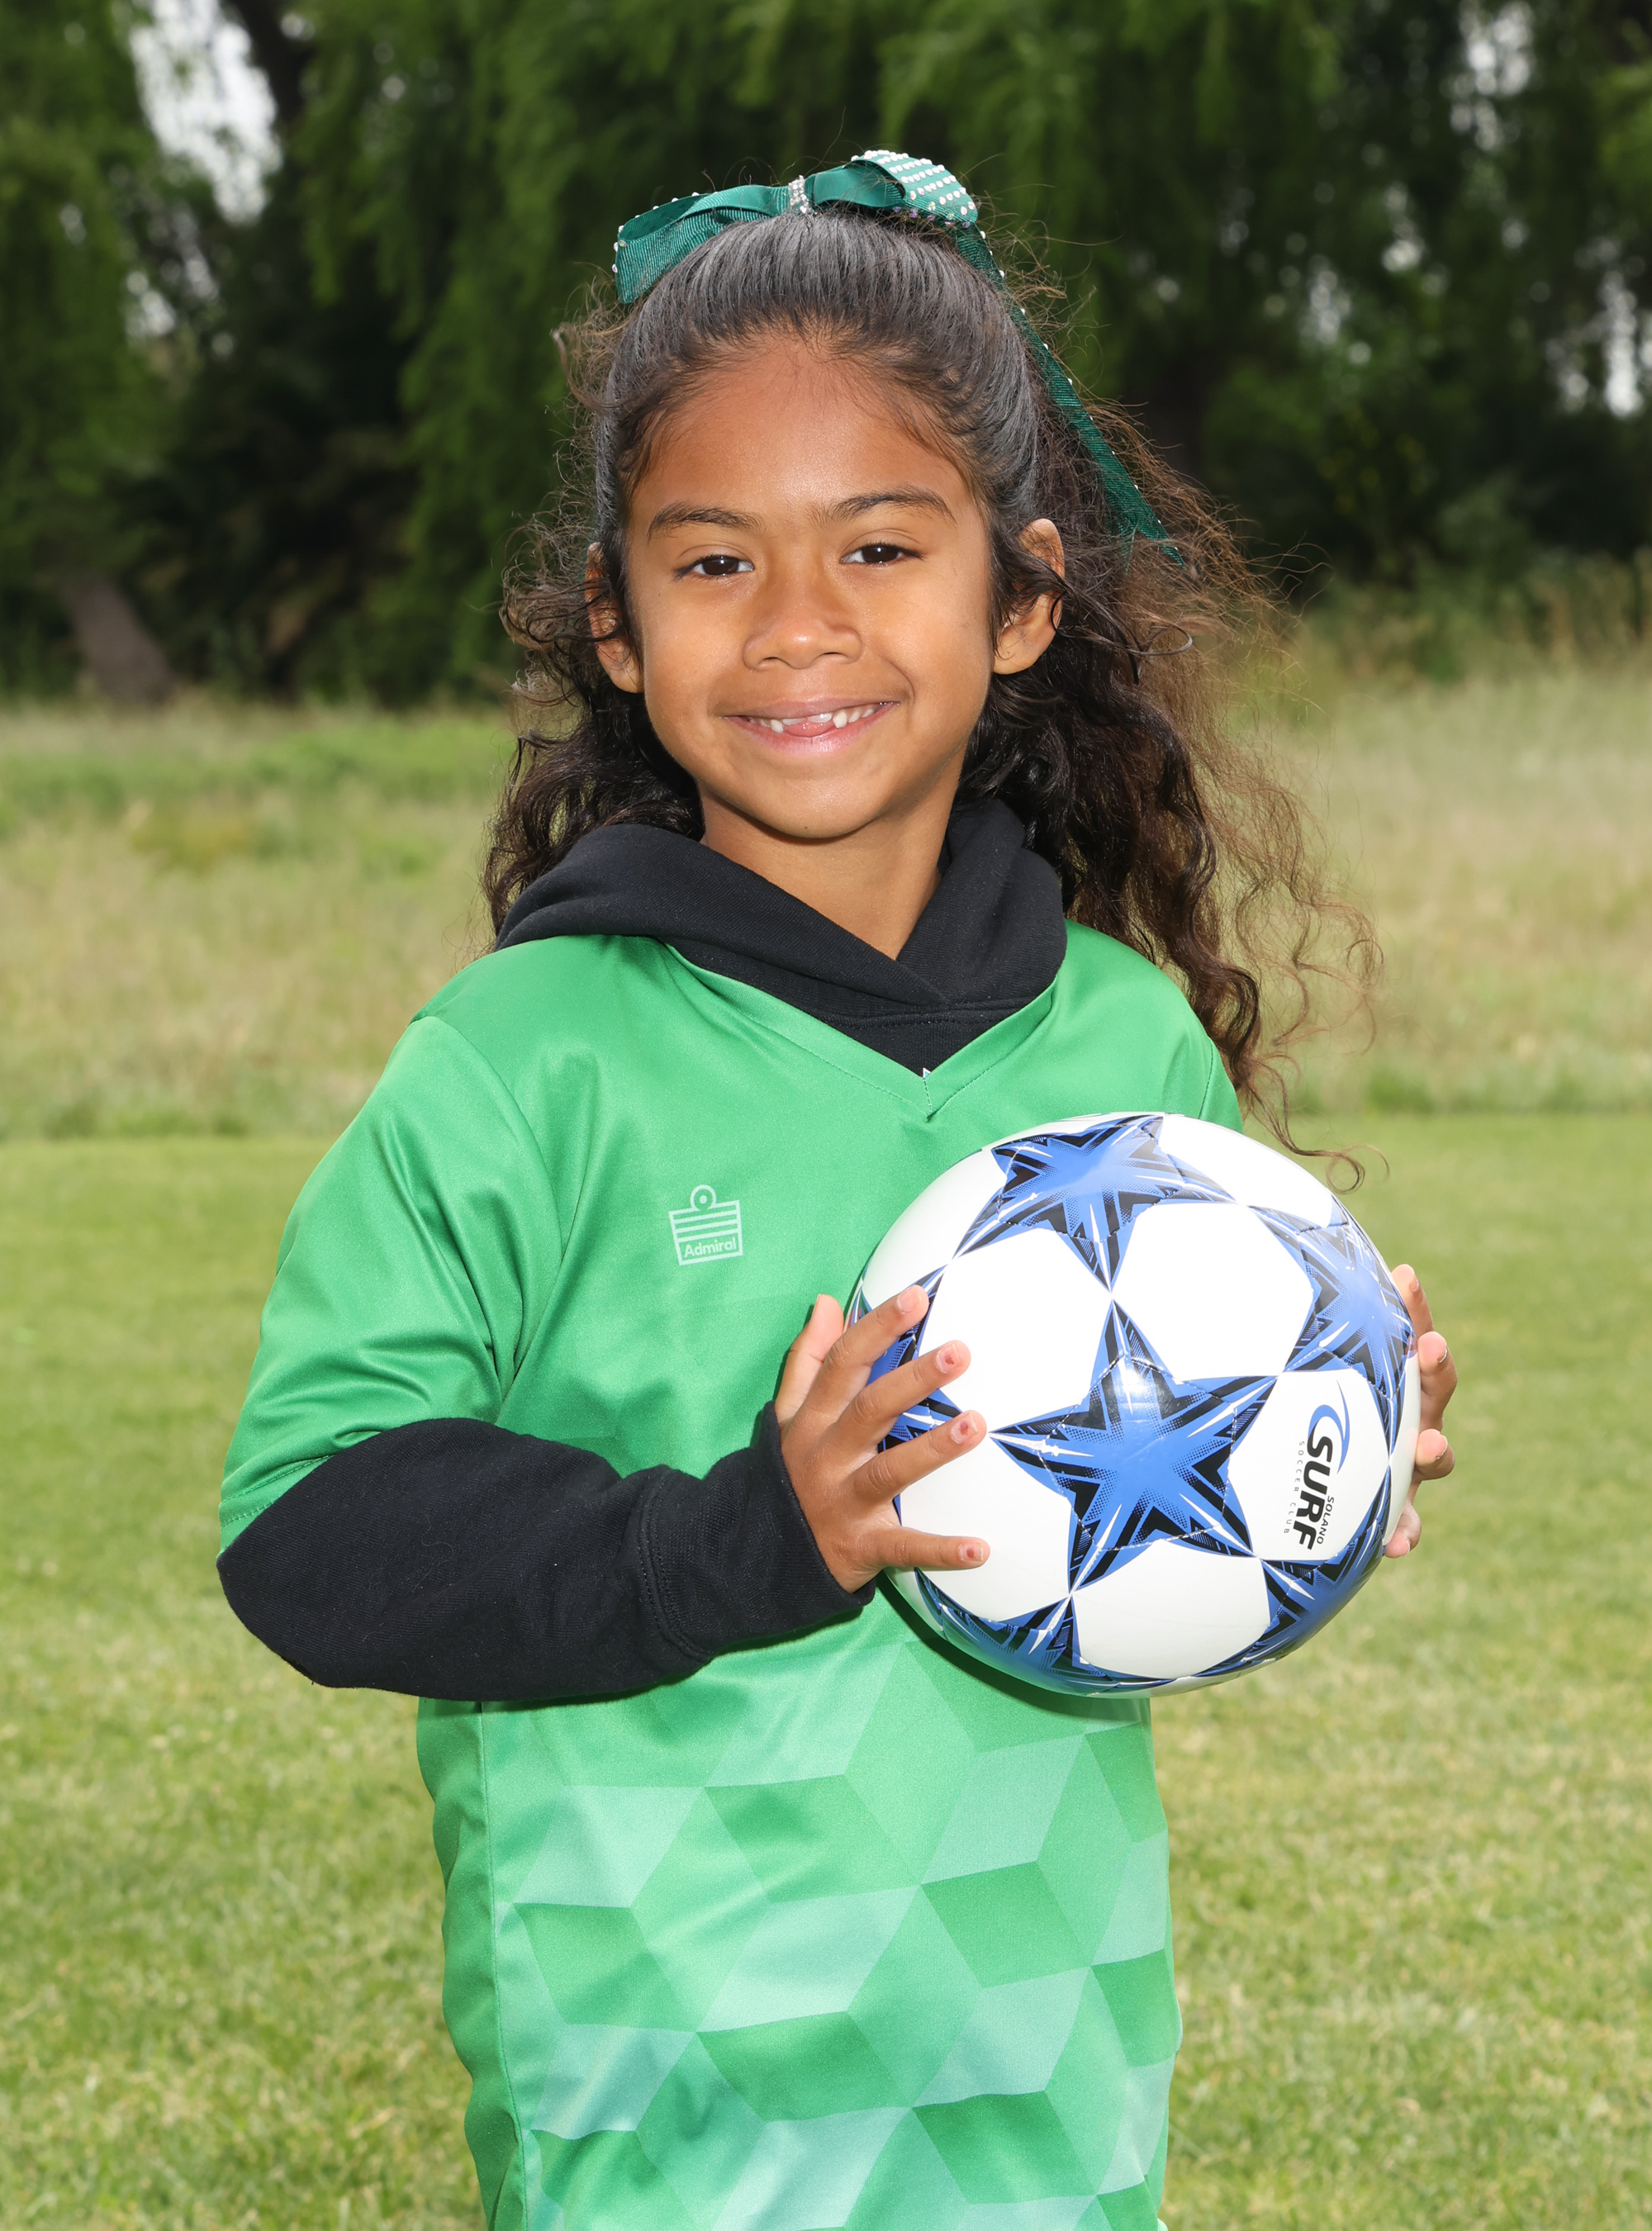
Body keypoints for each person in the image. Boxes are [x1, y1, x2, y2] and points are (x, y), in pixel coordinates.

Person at [216, 152, 1457, 2231]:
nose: (799, 623)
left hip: (1047, 2098)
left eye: (880, 545)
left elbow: (1152, 1544)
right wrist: (746, 1535)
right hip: (656, 2122)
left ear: (1020, 597)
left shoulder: (1123, 1042)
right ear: (615, 624)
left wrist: (1321, 1430)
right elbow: (308, 1529)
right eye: (713, 560)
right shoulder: (526, 1062)